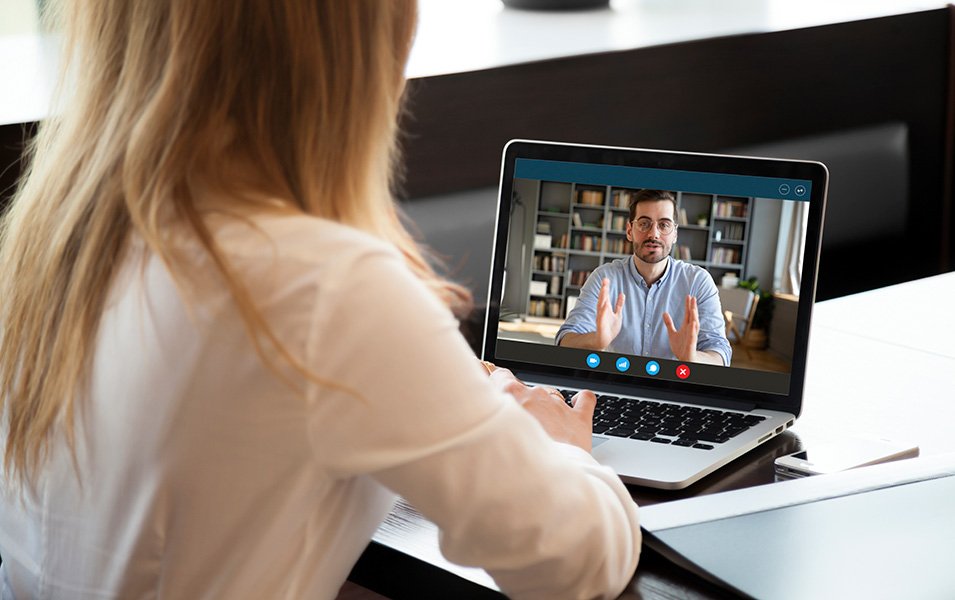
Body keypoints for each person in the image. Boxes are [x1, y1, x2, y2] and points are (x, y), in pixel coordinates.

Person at [0, 2, 640, 598]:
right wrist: (556, 447)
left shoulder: (52, 244)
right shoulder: (326, 288)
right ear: (357, 55)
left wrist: (441, 406)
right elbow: (573, 562)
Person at [557, 189, 731, 366]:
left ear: (675, 234)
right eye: (644, 223)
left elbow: (720, 354)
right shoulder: (604, 278)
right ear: (629, 231)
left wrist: (692, 357)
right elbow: (565, 340)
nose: (653, 234)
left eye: (664, 225)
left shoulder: (698, 282)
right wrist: (596, 340)